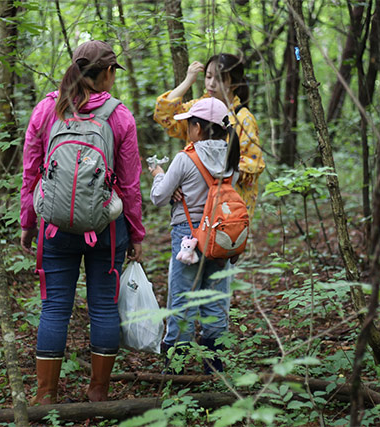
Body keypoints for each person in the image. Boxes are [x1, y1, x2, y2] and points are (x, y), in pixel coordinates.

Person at [20, 40, 145, 404]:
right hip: (106, 229)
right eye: (112, 71)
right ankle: (98, 391)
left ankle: (45, 395)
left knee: (55, 306)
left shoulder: (47, 109)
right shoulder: (119, 116)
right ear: (106, 73)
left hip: (54, 228)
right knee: (103, 306)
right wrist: (136, 233)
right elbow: (130, 183)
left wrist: (29, 223)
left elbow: (31, 174)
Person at [149, 97, 240, 374]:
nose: (188, 130)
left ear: (198, 128)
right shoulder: (231, 157)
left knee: (182, 297)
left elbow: (158, 197)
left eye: (190, 125)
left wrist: (159, 175)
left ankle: (175, 363)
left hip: (187, 237)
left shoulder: (185, 158)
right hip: (220, 236)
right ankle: (214, 365)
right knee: (216, 297)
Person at [154, 53, 265, 219]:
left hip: (225, 213)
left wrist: (194, 175)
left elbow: (252, 164)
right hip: (191, 212)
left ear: (233, 83)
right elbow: (164, 115)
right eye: (208, 76)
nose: (211, 84)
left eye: (219, 79)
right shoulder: (197, 108)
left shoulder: (243, 119)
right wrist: (188, 80)